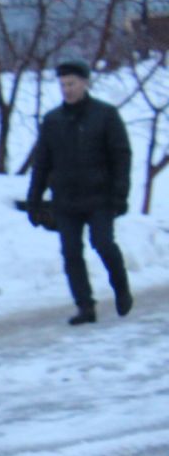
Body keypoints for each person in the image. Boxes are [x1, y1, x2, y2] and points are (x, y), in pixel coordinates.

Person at [25, 59, 134, 325]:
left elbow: (121, 155)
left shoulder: (105, 115)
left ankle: (121, 288)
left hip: (101, 197)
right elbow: (42, 162)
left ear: (85, 83)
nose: (67, 90)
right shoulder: (52, 121)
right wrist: (34, 199)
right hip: (66, 200)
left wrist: (120, 193)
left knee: (103, 243)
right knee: (71, 252)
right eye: (62, 85)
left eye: (72, 84)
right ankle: (85, 306)